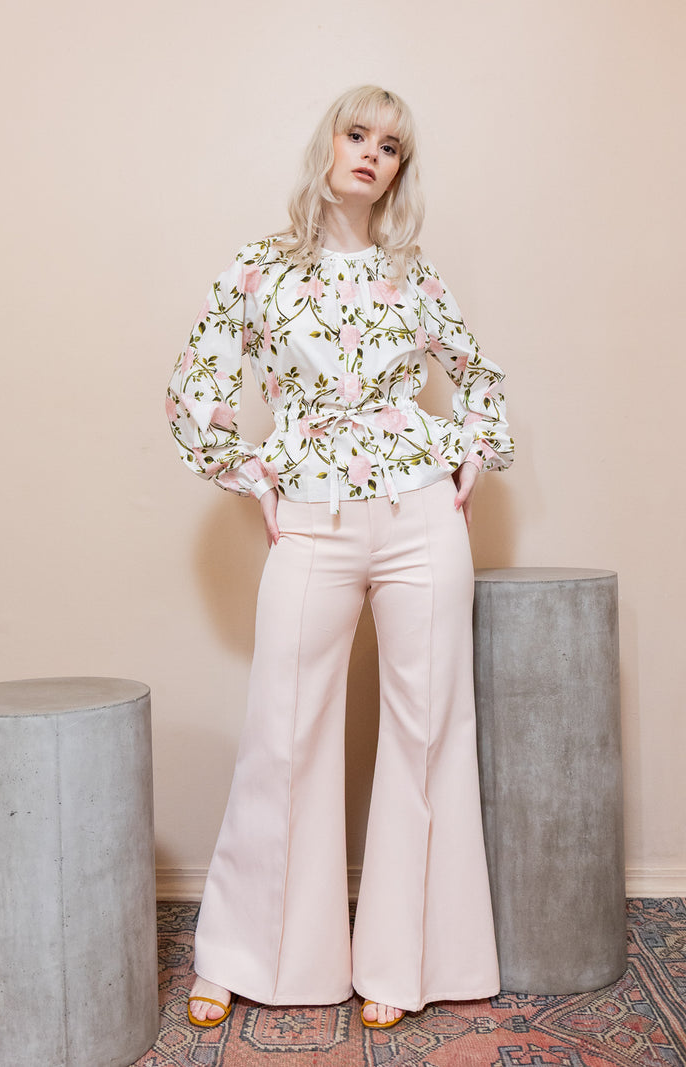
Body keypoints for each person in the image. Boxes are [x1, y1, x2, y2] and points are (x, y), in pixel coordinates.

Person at [165, 84, 513, 1030]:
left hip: (421, 517)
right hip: (312, 518)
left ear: (399, 171)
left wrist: (471, 454)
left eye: (390, 146)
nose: (370, 153)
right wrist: (254, 476)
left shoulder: (414, 274)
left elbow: (478, 375)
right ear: (328, 142)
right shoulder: (260, 269)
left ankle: (406, 960)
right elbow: (196, 386)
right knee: (282, 730)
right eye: (357, 134)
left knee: (427, 732)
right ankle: (246, 953)